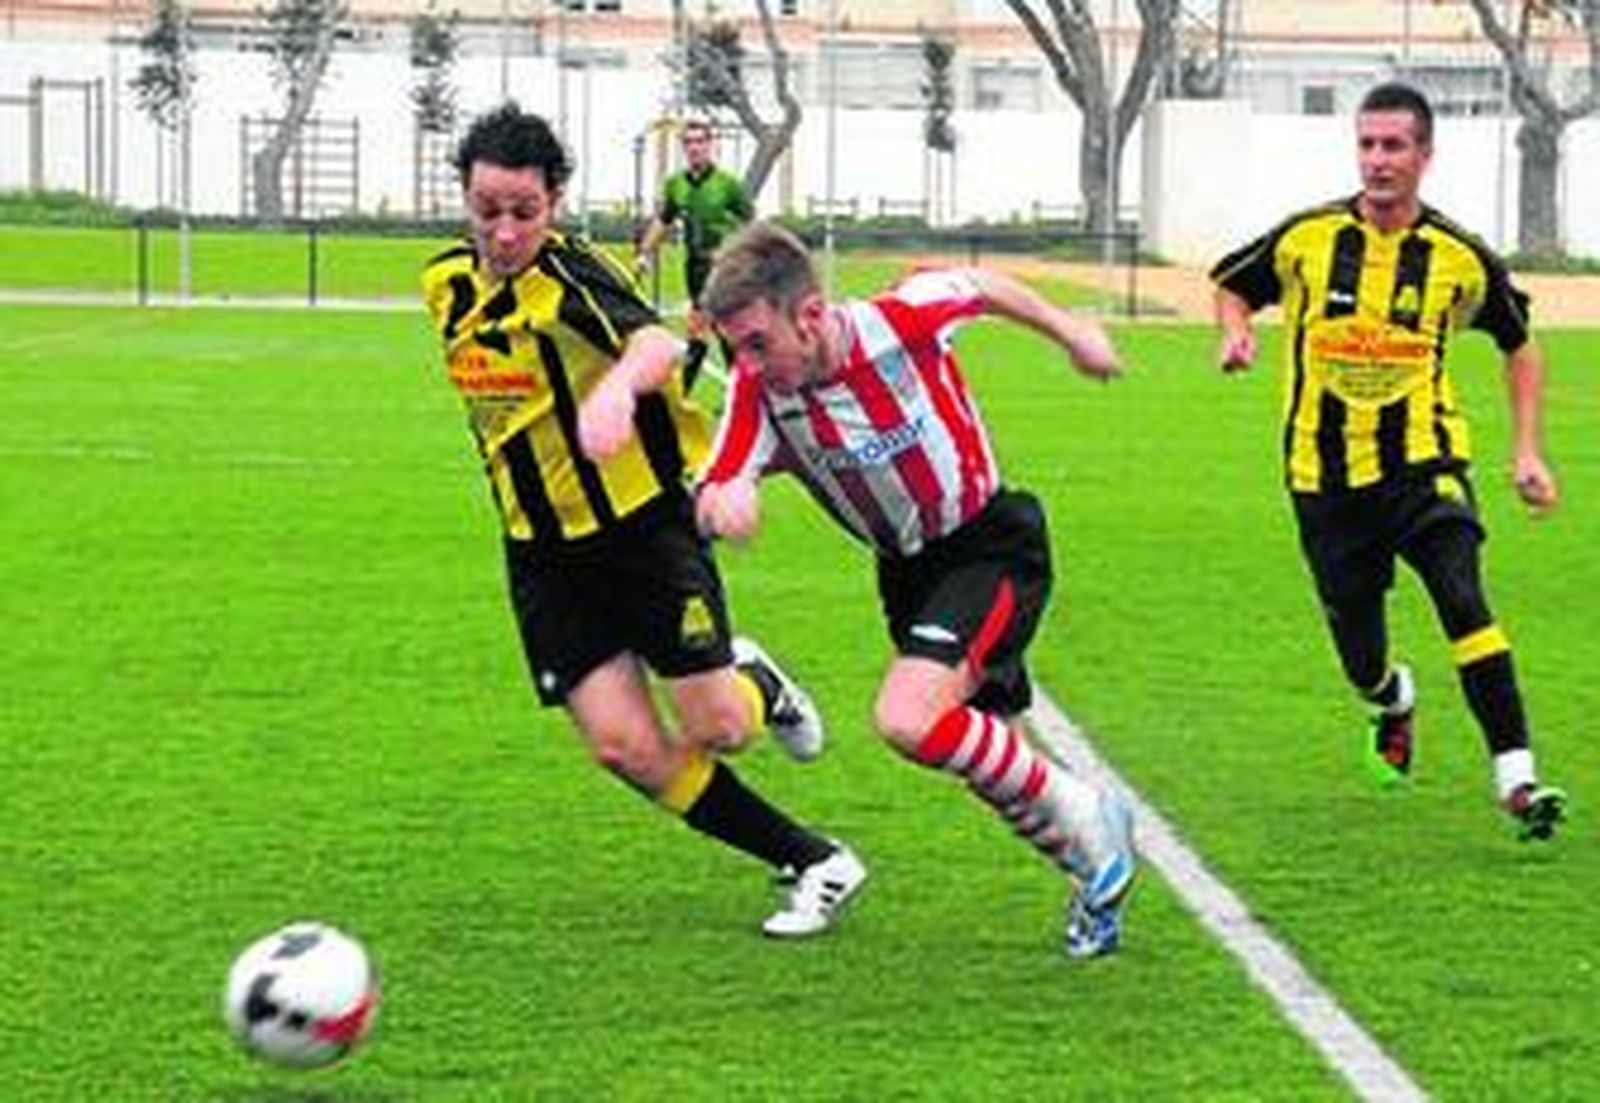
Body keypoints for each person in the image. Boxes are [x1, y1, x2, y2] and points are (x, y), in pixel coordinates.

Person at [421, 103, 866, 938]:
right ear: (465, 199)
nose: (505, 231)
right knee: (623, 747)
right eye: (488, 210)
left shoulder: (574, 278)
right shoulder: (443, 284)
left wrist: (618, 393)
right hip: (539, 552)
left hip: (640, 533)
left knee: (720, 727)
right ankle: (815, 860)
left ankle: (755, 682)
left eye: (525, 211)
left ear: (555, 202)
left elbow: (655, 345)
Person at [676, 220, 1138, 958]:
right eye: (736, 347)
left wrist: (1068, 330)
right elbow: (723, 471)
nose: (748, 363)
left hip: (991, 542)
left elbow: (980, 286)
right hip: (907, 572)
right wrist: (724, 499)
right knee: (994, 766)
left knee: (908, 717)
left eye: (759, 342)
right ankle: (1094, 873)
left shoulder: (896, 320)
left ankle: (1094, 812)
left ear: (812, 315)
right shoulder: (759, 396)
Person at [1210, 81, 1567, 840]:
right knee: (1359, 653)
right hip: (1323, 478)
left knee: (1462, 595)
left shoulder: (1459, 258)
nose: (1378, 160)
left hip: (1423, 464)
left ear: (1424, 156)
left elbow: (1519, 342)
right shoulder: (1307, 238)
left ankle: (1518, 776)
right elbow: (1232, 287)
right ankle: (1391, 696)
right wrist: (1234, 332)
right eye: (1367, 144)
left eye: (1393, 145)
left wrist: (1527, 447)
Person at [636, 118, 754, 391]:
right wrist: (645, 254)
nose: (695, 147)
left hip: (724, 268)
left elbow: (751, 225)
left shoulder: (728, 184)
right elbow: (663, 220)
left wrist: (738, 257)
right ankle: (736, 394)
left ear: (711, 145)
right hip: (695, 267)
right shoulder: (676, 184)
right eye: (689, 142)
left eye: (701, 141)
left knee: (709, 330)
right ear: (683, 148)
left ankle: (689, 396)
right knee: (706, 331)